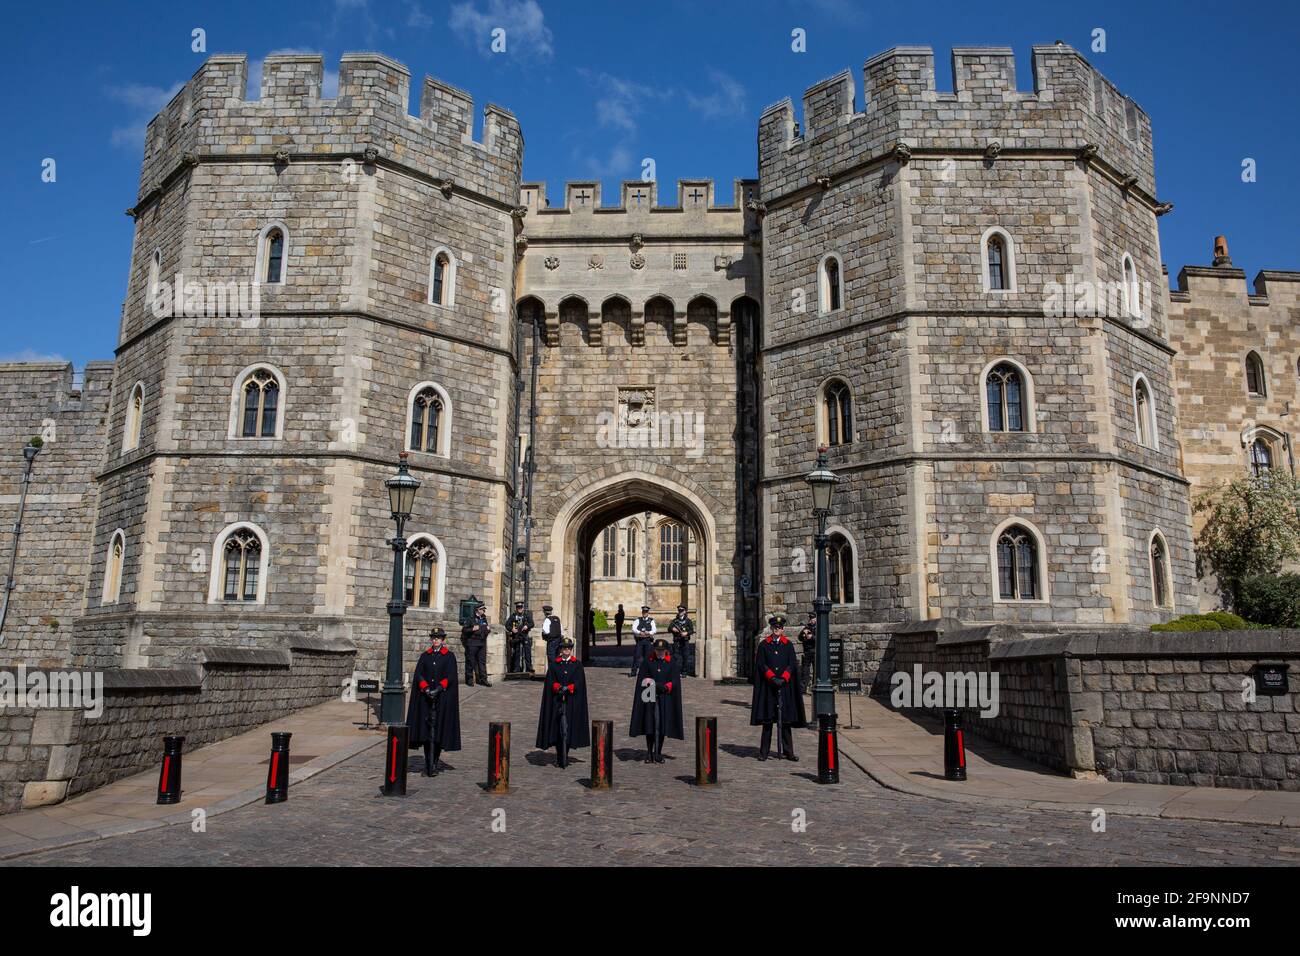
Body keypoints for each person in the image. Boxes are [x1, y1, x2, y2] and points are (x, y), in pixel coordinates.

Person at [750, 613, 807, 761]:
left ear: (783, 629)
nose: (777, 629)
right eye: (775, 627)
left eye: (780, 627)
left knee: (785, 721)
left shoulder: (787, 645)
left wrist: (783, 678)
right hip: (769, 687)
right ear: (771, 628)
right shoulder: (764, 645)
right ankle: (764, 752)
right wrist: (772, 677)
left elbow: (792, 664)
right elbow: (761, 665)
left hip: (784, 686)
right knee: (768, 721)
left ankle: (788, 751)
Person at [406, 627, 461, 776]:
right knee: (426, 734)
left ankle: (434, 763)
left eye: (438, 638)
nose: (436, 640)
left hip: (441, 699)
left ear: (443, 640)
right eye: (434, 637)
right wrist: (425, 689)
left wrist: (438, 688)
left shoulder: (449, 656)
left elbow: (451, 676)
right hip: (426, 700)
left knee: (437, 734)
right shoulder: (425, 656)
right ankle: (427, 763)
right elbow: (419, 675)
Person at [536, 637, 590, 768]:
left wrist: (570, 688)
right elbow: (550, 681)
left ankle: (565, 755)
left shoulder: (577, 665)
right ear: (561, 650)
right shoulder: (555, 664)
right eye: (564, 648)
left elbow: (579, 682)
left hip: (571, 701)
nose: (567, 650)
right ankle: (559, 755)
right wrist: (558, 687)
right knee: (557, 729)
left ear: (571, 649)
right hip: (557, 701)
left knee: (568, 729)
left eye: (569, 648)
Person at [629, 638, 683, 763]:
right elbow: (643, 678)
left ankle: (658, 753)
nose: (659, 652)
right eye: (657, 650)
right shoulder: (648, 662)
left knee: (662, 725)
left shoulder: (671, 663)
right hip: (650, 696)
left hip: (664, 697)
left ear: (665, 651)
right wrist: (653, 684)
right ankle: (649, 752)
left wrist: (665, 686)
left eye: (661, 650)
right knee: (650, 724)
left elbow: (674, 680)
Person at [461, 601, 491, 687]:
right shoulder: (470, 619)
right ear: (477, 610)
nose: (484, 611)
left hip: (482, 643)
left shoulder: (484, 619)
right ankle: (469, 680)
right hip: (472, 643)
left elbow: (485, 630)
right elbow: (464, 630)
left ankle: (483, 680)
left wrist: (488, 630)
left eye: (484, 609)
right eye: (482, 609)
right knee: (471, 661)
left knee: (482, 662)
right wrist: (472, 629)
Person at [506, 600, 534, 674]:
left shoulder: (527, 615)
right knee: (517, 652)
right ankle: (516, 668)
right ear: (516, 608)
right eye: (518, 607)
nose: (520, 608)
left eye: (521, 607)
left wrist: (527, 626)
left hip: (525, 635)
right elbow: (507, 625)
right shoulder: (513, 616)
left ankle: (529, 668)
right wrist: (512, 629)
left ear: (523, 608)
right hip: (517, 636)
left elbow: (532, 623)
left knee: (527, 653)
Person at [667, 604, 695, 678]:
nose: (680, 612)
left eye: (682, 610)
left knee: (685, 657)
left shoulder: (688, 621)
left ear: (685, 611)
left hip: (685, 641)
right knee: (675, 657)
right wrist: (672, 629)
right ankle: (675, 671)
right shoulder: (674, 621)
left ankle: (684, 671)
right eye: (679, 610)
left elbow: (692, 630)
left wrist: (686, 633)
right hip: (677, 641)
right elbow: (669, 628)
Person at [630, 605, 655, 677]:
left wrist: (649, 633)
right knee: (637, 656)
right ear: (642, 612)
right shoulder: (638, 620)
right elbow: (633, 628)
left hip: (647, 640)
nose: (644, 613)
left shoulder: (651, 620)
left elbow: (654, 630)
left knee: (648, 657)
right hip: (640, 640)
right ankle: (634, 671)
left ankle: (647, 672)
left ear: (648, 613)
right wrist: (639, 632)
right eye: (643, 612)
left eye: (646, 612)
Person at [797, 611, 818, 688]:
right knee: (805, 671)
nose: (811, 620)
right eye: (810, 618)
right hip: (807, 652)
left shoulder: (819, 627)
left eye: (813, 618)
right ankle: (803, 688)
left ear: (816, 619)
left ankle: (815, 687)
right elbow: (799, 638)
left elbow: (821, 639)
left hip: (815, 651)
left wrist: (812, 637)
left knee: (816, 671)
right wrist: (803, 632)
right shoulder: (807, 627)